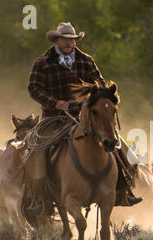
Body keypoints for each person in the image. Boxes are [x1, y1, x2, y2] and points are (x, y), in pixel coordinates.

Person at [27, 22, 142, 216]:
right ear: (57, 40)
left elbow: (101, 84)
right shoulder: (43, 62)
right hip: (54, 117)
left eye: (72, 39)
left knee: (119, 147)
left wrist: (95, 102)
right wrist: (55, 102)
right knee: (38, 149)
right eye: (65, 39)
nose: (69, 43)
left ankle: (123, 191)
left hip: (86, 115)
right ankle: (40, 198)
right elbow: (33, 88)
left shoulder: (86, 60)